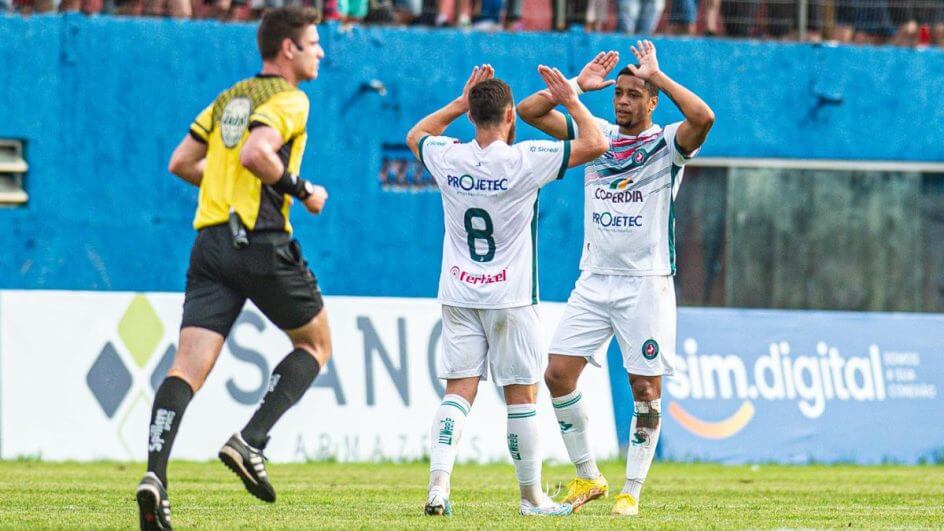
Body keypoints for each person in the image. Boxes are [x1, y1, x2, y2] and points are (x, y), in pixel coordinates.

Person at [135, 7, 331, 530]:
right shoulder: (291, 99)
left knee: (186, 368)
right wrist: (302, 189)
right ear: (287, 49)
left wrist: (226, 185)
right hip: (259, 240)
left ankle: (154, 476)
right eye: (313, 43)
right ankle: (251, 439)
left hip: (210, 244)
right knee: (315, 345)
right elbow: (256, 153)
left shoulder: (232, 97)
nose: (320, 52)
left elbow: (182, 162)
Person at [517, 41, 714, 517]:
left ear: (651, 103)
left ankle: (632, 490)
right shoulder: (597, 134)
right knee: (557, 375)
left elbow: (704, 118)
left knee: (644, 389)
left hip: (645, 282)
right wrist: (577, 89)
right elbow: (527, 112)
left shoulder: (667, 144)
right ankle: (588, 476)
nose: (623, 101)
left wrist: (659, 75)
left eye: (633, 94)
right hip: (593, 280)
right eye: (619, 93)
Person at [405, 64, 607, 517]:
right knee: (521, 396)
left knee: (457, 391)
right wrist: (572, 97)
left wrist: (459, 102)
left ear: (472, 117)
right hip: (511, 298)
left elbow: (416, 134)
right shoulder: (525, 158)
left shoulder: (447, 156)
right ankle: (531, 498)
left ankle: (438, 486)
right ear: (511, 116)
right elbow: (597, 143)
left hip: (458, 292)